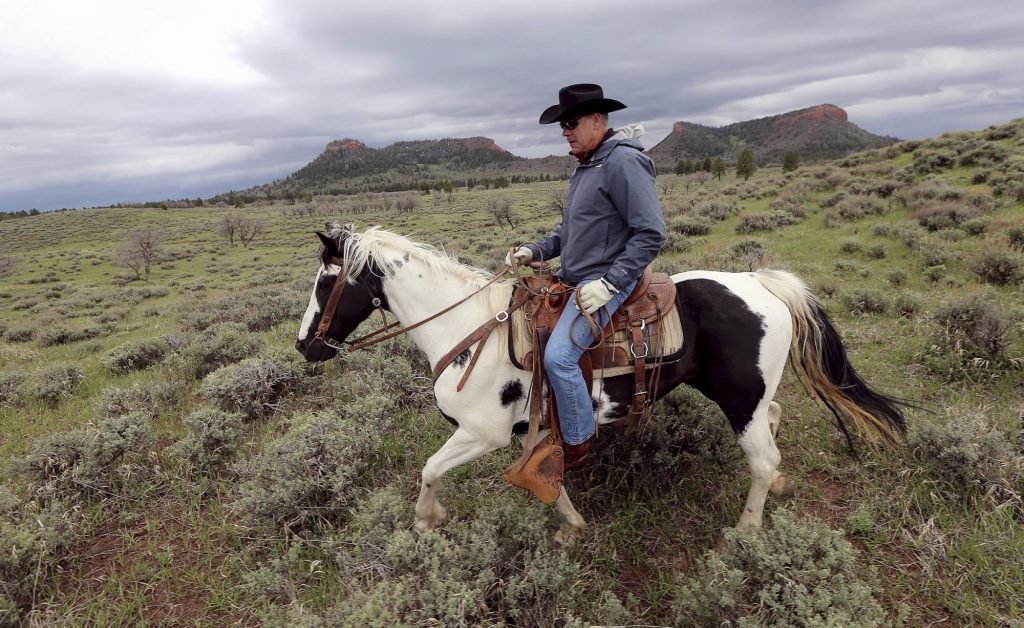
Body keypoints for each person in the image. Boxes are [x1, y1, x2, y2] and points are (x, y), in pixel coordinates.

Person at [509, 83, 666, 469]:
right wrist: (535, 250)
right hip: (577, 277)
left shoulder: (622, 162)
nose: (565, 132)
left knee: (560, 357)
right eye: (562, 125)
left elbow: (650, 233)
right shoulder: (588, 165)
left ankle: (576, 448)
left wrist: (611, 284)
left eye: (571, 123)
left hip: (607, 280)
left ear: (596, 121)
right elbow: (571, 231)